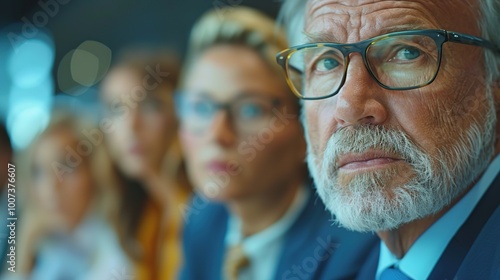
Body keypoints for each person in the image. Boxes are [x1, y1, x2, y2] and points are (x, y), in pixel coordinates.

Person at [276, 0, 500, 279]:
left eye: (406, 53)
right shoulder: (323, 265)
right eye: (328, 62)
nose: (350, 108)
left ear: (494, 81)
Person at [177, 6, 377, 280]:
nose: (217, 134)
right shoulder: (203, 221)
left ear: (304, 129)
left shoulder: (351, 253)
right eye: (200, 107)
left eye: (250, 110)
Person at [100, 49, 192, 280]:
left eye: (150, 106)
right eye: (117, 109)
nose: (131, 125)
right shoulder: (143, 214)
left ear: (182, 112)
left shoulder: (204, 207)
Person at [5, 110, 130, 280]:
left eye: (67, 167)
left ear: (95, 172)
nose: (51, 187)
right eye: (39, 172)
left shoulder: (119, 244)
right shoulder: (50, 245)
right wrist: (23, 256)